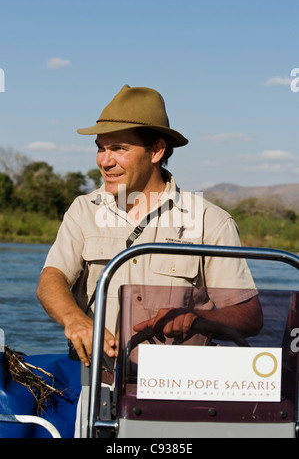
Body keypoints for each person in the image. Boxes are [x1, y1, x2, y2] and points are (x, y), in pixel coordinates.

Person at [36, 85, 262, 368]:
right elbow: (51, 280)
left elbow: (250, 316)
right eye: (100, 149)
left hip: (181, 384)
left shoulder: (210, 220)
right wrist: (75, 320)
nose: (104, 161)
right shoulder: (84, 210)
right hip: (98, 383)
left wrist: (197, 319)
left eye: (119, 148)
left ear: (156, 150)